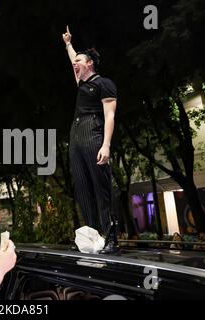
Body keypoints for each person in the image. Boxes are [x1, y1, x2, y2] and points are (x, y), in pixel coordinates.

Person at [63, 25, 119, 254]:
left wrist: (106, 145)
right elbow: (71, 60)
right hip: (75, 139)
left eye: (79, 60)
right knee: (84, 192)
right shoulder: (81, 83)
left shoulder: (103, 83)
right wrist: (68, 44)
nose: (75, 63)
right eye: (74, 60)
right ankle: (93, 238)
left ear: (90, 64)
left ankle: (112, 238)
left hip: (93, 136)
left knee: (101, 189)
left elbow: (110, 115)